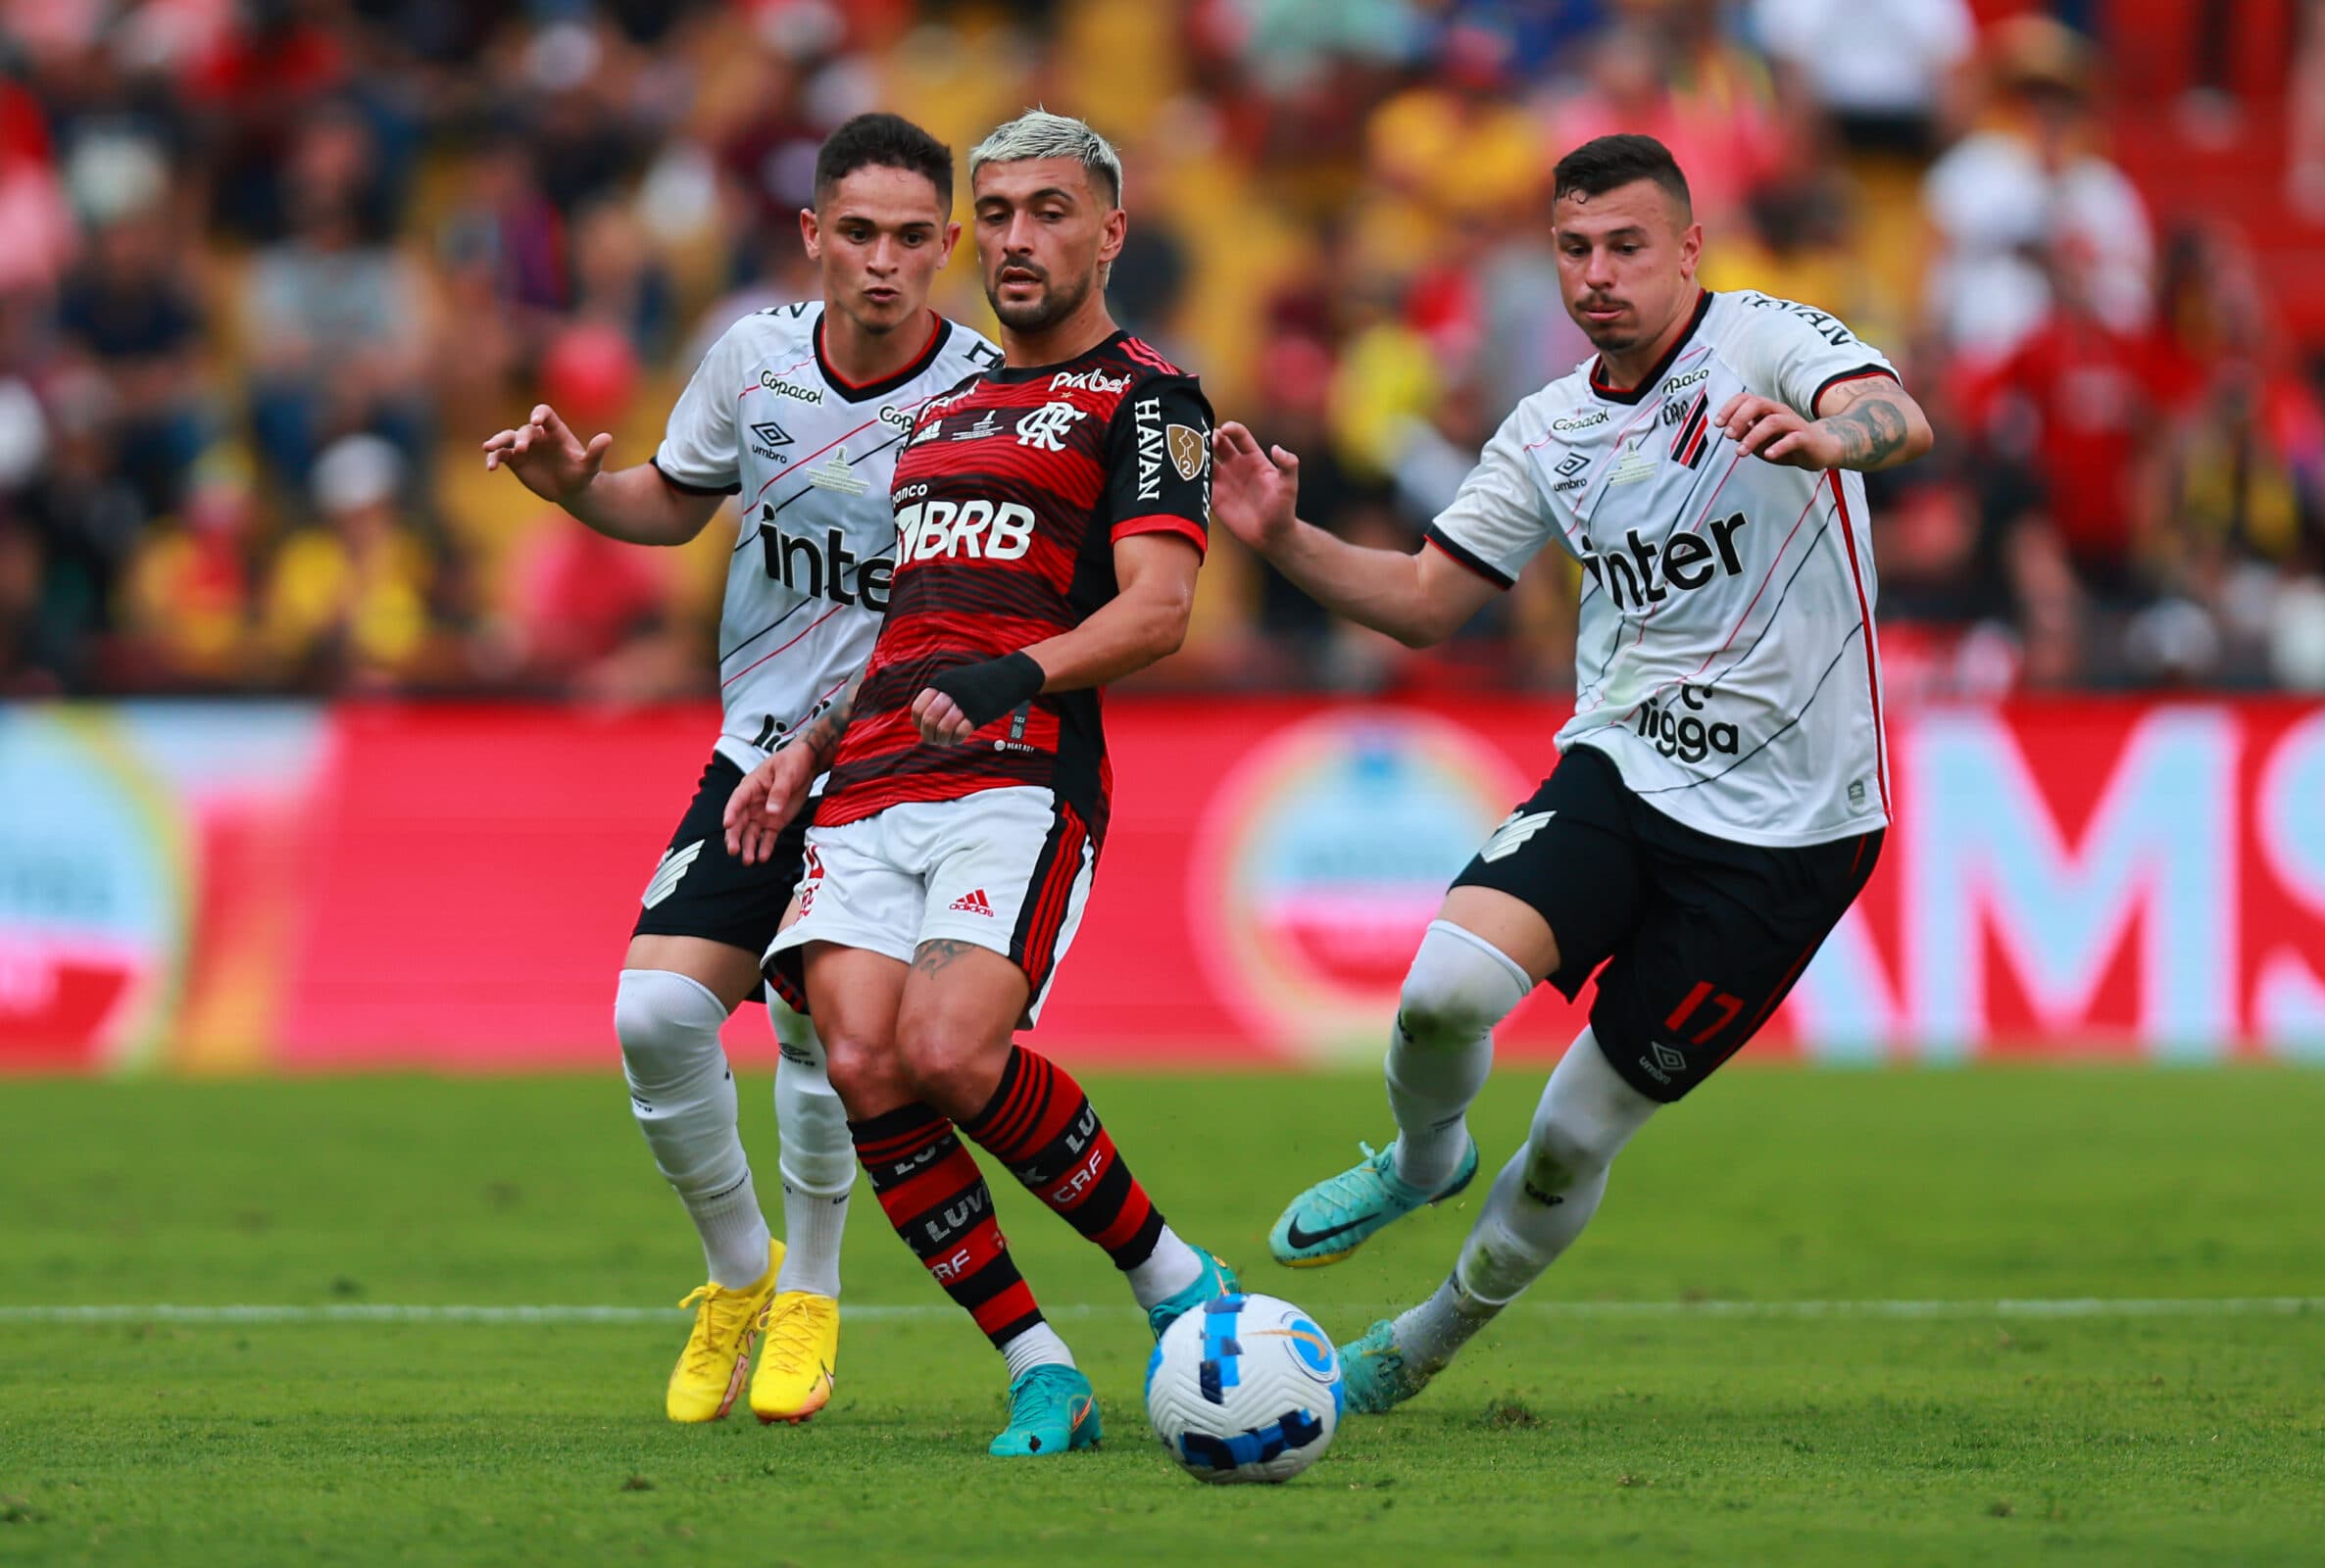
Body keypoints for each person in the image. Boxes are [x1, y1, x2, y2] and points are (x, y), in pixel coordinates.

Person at [1209, 133, 1933, 1411]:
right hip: (1627, 767)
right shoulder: (1550, 428)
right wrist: (1283, 539)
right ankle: (1425, 1158)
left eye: (1627, 247)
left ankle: (1425, 1341)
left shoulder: (1766, 342)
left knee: (1569, 1144)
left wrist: (1834, 443)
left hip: (1796, 835)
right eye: (1574, 250)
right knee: (1439, 996)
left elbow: (1895, 414)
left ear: (1689, 248)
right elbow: (1431, 602)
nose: (1598, 275)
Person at [722, 109, 1230, 1458]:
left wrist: (1023, 676)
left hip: (1015, 777)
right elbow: (909, 626)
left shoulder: (1148, 397)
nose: (1016, 238)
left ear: (1109, 232)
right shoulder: (941, 410)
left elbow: (1161, 609)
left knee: (951, 1050)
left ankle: (1178, 1284)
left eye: (1048, 212)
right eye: (996, 213)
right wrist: (808, 745)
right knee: (858, 1062)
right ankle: (1037, 1365)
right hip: (872, 780)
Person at [482, 113, 998, 1426]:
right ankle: (739, 1271)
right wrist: (574, 494)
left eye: (911, 239)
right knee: (655, 1016)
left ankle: (816, 1292)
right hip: (757, 749)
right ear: (813, 237)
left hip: (897, 769)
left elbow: (974, 620)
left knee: (821, 1031)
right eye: (859, 234)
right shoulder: (754, 362)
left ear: (946, 247)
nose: (884, 263)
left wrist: (839, 741)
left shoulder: (987, 399)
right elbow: (670, 496)